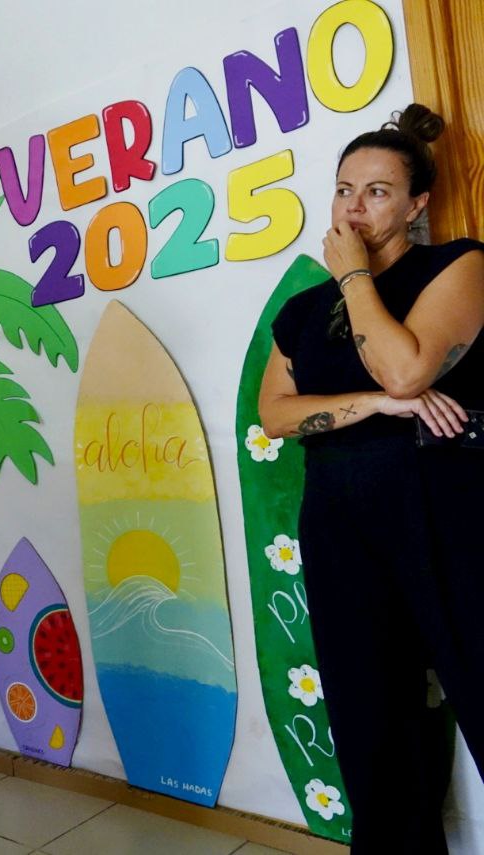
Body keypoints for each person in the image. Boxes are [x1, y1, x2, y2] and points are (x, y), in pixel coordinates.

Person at [258, 104, 484, 852]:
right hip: (339, 517)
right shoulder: (301, 311)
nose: (354, 207)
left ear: (417, 205)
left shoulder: (458, 266)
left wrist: (354, 274)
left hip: (444, 507)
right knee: (370, 717)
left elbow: (406, 367)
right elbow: (276, 414)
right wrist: (379, 405)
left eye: (378, 191)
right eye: (344, 189)